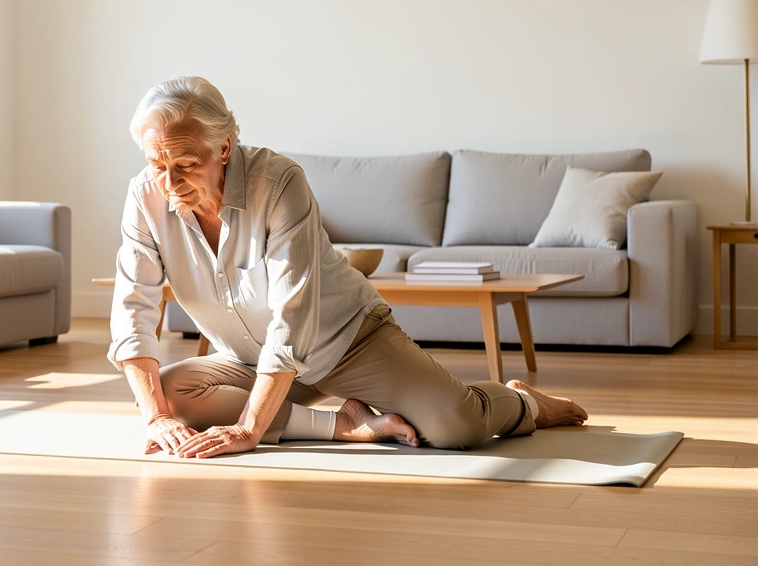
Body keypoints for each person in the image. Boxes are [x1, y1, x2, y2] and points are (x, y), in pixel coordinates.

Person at [108, 76, 588, 459]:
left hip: (348, 340)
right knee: (169, 393)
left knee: (455, 427)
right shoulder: (143, 197)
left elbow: (293, 319)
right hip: (249, 360)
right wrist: (156, 419)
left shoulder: (277, 182)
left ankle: (525, 402)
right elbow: (133, 311)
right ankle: (347, 424)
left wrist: (250, 429)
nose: (169, 182)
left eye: (186, 164)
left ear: (225, 148)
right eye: (156, 164)